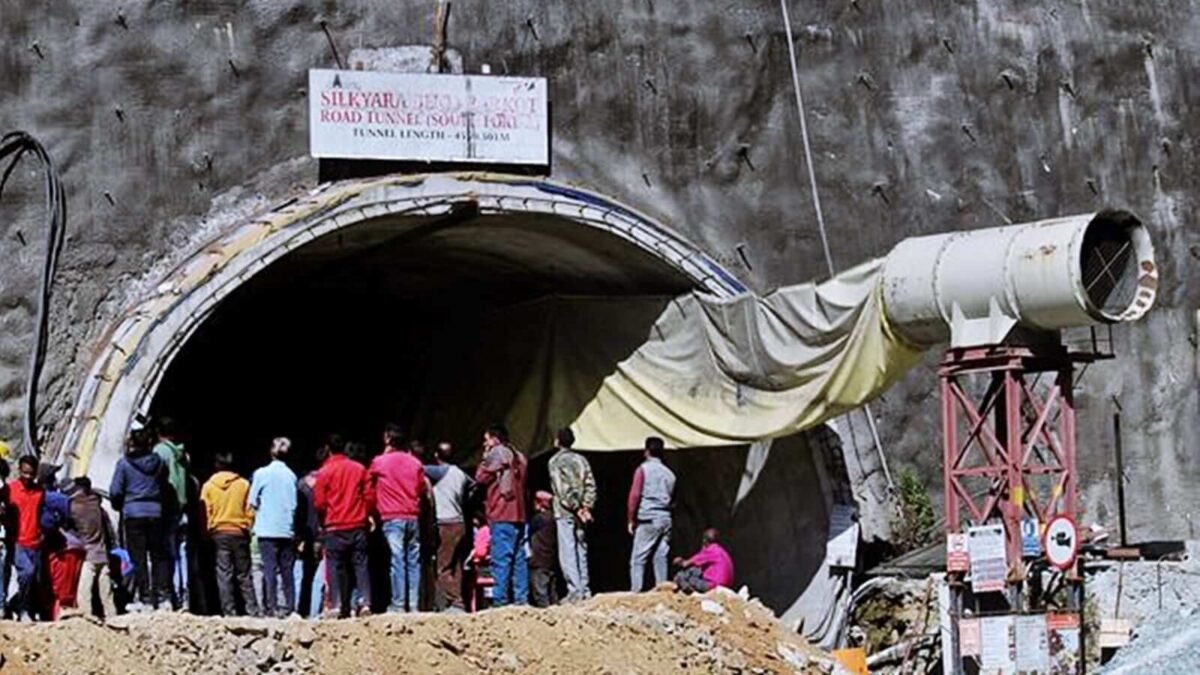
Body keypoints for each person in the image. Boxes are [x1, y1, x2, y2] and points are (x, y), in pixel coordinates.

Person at [109, 429, 173, 610]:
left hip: (133, 513)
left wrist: (119, 504)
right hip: (156, 512)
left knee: (138, 557)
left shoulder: (124, 464)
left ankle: (144, 598)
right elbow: (164, 483)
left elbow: (115, 491)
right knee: (159, 556)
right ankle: (164, 597)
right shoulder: (159, 462)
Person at [368, 424, 428, 614]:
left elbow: (368, 485)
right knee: (413, 561)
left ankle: (399, 604)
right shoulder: (415, 463)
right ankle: (414, 604)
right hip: (412, 516)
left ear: (387, 439)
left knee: (397, 561)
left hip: (392, 517)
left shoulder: (379, 462)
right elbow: (421, 489)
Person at [313, 434, 374, 618]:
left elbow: (319, 503)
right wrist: (366, 513)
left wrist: (324, 519)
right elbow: (370, 497)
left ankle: (336, 605)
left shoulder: (325, 471)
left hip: (334, 526)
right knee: (360, 565)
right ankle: (364, 603)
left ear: (328, 449)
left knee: (334, 566)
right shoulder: (359, 469)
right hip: (357, 524)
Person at [474, 423, 529, 607]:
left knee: (501, 559)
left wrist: (484, 458)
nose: (485, 444)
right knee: (519, 559)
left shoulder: (497, 453)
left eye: (486, 440)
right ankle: (521, 599)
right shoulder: (520, 456)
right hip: (519, 515)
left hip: (502, 513)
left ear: (494, 439)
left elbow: (481, 477)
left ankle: (500, 601)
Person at [201, 452, 259, 616]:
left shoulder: (209, 486)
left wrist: (208, 530)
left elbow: (205, 511)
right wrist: (247, 526)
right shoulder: (243, 484)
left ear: (216, 465)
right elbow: (250, 510)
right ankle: (252, 610)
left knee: (224, 573)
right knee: (244, 574)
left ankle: (229, 611)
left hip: (219, 533)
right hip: (239, 532)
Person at [249, 437, 298, 617]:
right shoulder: (291, 475)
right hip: (285, 528)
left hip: (266, 528)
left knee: (269, 569)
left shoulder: (261, 473)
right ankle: (290, 607)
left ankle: (271, 607)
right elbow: (293, 504)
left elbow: (252, 501)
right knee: (287, 571)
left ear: (271, 451)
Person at [546, 427, 596, 602]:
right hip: (582, 513)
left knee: (568, 551)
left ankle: (574, 591)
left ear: (558, 441)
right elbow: (590, 484)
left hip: (566, 511)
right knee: (581, 549)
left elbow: (562, 489)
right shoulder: (581, 460)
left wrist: (576, 508)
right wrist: (586, 507)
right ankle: (585, 589)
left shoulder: (555, 462)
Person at [424, 440, 472, 612]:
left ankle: (456, 601)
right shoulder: (460, 473)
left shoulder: (438, 472)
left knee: (442, 567)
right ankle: (457, 602)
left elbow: (418, 468)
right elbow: (473, 487)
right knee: (456, 565)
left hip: (446, 523)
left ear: (436, 456)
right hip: (460, 522)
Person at [627, 436, 676, 592]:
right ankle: (662, 590)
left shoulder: (643, 470)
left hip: (649, 518)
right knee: (660, 556)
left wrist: (630, 518)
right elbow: (674, 499)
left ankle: (636, 591)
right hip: (666, 518)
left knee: (638, 558)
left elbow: (635, 495)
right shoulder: (670, 474)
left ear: (646, 451)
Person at [152, 416, 189, 609]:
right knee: (181, 553)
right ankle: (184, 597)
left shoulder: (160, 452)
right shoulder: (182, 454)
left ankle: (170, 596)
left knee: (166, 554)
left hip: (166, 509)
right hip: (182, 509)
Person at [70, 477, 116, 619]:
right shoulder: (97, 506)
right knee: (106, 594)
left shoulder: (75, 507)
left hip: (87, 556)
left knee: (84, 593)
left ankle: (86, 618)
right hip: (103, 555)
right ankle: (112, 617)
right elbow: (110, 533)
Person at [41, 467, 84, 619]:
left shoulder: (35, 497)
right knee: (64, 592)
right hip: (64, 550)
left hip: (44, 549)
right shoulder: (57, 499)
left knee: (52, 590)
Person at [8, 456, 43, 621]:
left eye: (31, 473)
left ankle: (21, 606)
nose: (28, 476)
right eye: (25, 472)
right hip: (17, 541)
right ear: (19, 471)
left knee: (35, 579)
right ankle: (23, 610)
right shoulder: (10, 490)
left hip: (35, 542)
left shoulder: (40, 491)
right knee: (27, 573)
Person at [294, 446, 327, 618]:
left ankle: (297, 610)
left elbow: (297, 512)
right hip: (324, 534)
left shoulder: (300, 484)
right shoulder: (328, 481)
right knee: (321, 578)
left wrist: (298, 535)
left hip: (305, 536)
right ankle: (315, 613)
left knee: (302, 574)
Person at [672, 528, 735, 593]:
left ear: (705, 540)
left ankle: (688, 590)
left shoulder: (710, 550)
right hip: (726, 585)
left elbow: (685, 564)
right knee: (696, 570)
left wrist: (678, 560)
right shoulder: (721, 551)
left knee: (681, 576)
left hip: (714, 585)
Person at [528, 491, 558, 608]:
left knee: (540, 591)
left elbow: (529, 530)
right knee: (552, 590)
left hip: (538, 560)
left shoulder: (539, 519)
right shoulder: (554, 518)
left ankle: (545, 613)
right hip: (550, 559)